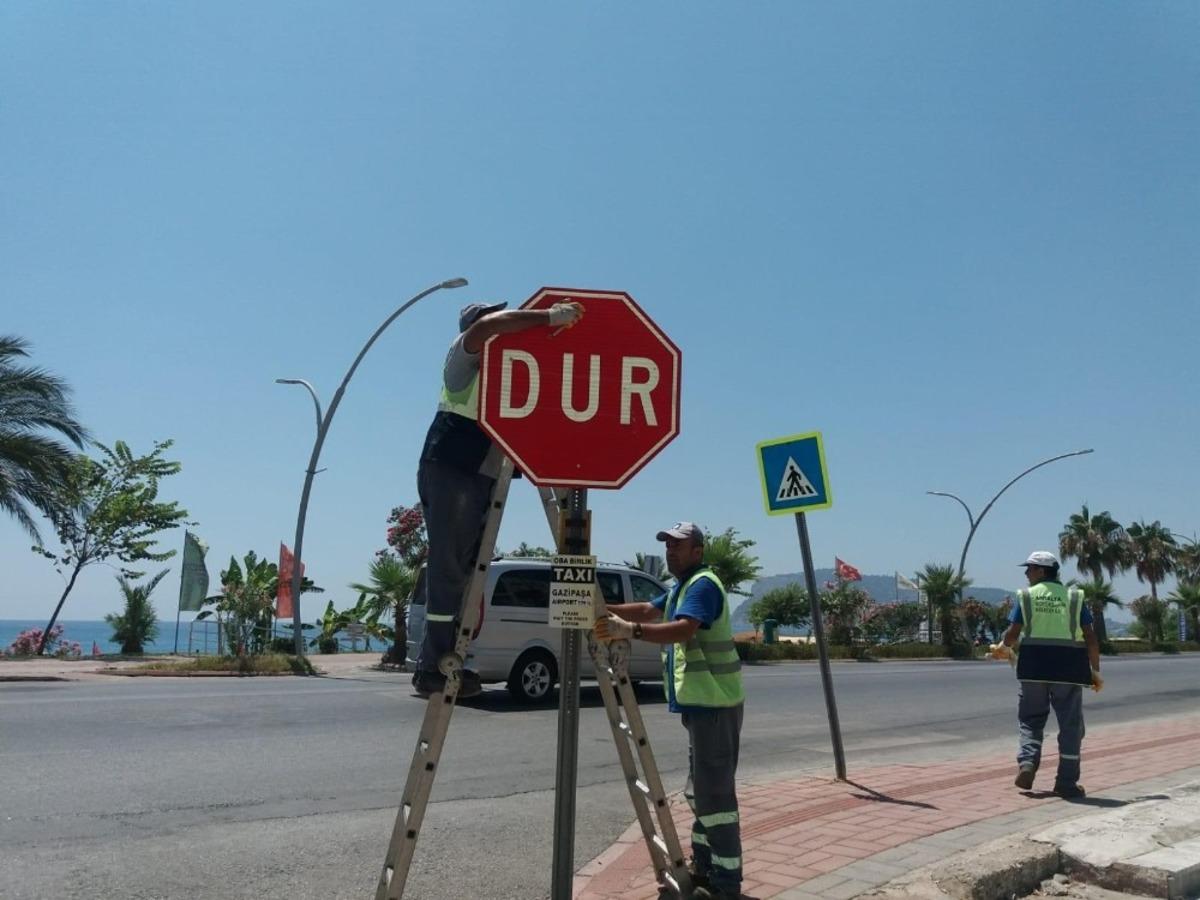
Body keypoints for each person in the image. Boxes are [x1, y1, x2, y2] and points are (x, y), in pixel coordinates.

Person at [413, 298, 583, 698]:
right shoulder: (465, 351)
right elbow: (487, 329)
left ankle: (452, 659)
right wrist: (547, 317)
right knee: (450, 570)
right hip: (454, 464)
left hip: (480, 473)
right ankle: (432, 669)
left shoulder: (505, 372)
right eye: (493, 317)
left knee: (469, 574)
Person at [594, 521, 744, 900]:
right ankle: (706, 868)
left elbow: (683, 629)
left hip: (715, 704)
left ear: (698, 551)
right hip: (703, 704)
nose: (670, 552)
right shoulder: (683, 585)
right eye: (667, 546)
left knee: (715, 799)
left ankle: (726, 885)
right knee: (701, 795)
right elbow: (647, 608)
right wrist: (599, 608)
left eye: (679, 546)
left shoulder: (703, 585)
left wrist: (629, 631)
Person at [993, 551, 1102, 798]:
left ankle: (1028, 763)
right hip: (1069, 670)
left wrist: (1004, 647)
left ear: (1042, 571)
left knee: (1031, 720)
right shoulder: (1075, 597)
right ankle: (1066, 782)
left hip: (1033, 668)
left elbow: (1012, 633)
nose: (1026, 573)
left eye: (1030, 568)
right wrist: (1095, 671)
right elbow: (1091, 639)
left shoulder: (1026, 597)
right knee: (1071, 726)